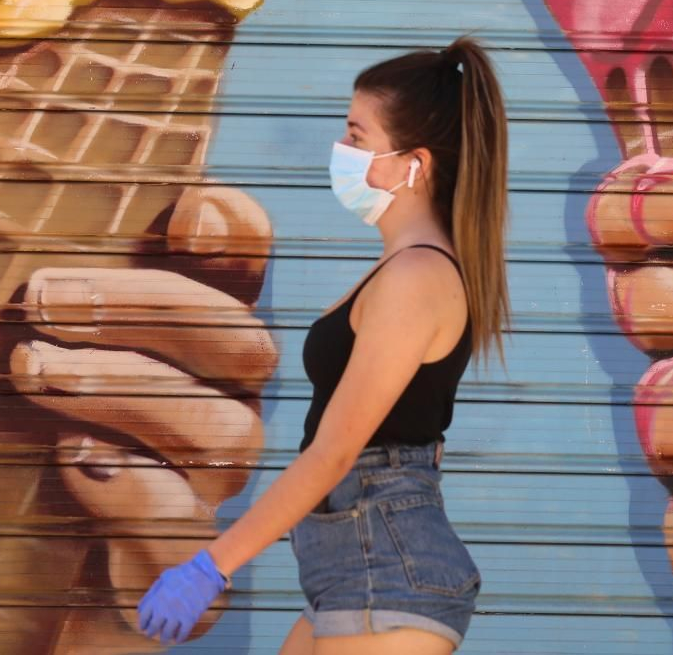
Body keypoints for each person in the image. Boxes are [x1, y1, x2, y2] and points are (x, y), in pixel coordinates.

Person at [137, 36, 510, 652]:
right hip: (352, 574)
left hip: (388, 578)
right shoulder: (399, 269)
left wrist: (211, 565)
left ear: (411, 165)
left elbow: (334, 454)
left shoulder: (415, 280)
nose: (341, 151)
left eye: (357, 137)